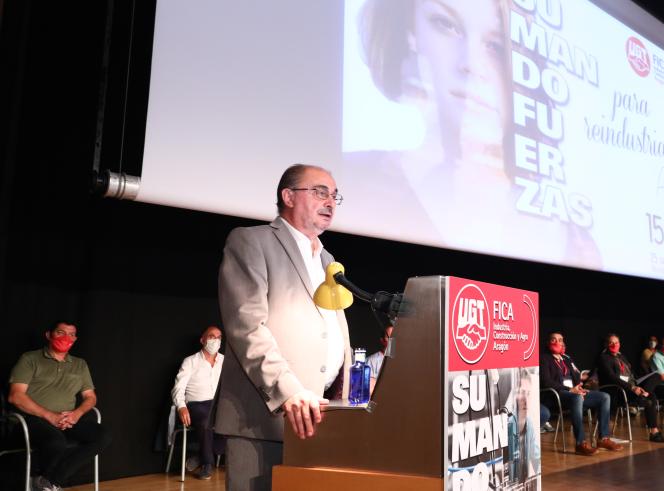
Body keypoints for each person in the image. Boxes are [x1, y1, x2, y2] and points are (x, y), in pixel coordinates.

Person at [348, 0, 601, 266]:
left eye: (495, 46)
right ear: (409, 34)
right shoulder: (351, 177)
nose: (471, 64)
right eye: (446, 25)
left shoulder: (574, 242)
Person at [215, 164, 353, 490]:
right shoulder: (251, 241)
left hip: (322, 416)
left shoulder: (327, 258)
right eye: (320, 192)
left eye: (335, 196)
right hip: (266, 418)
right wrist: (290, 392)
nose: (330, 202)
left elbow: (330, 329)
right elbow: (247, 327)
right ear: (288, 196)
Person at [7, 322, 111, 491]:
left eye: (71, 334)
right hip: (33, 419)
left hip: (67, 418)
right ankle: (45, 482)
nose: (66, 338)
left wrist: (76, 414)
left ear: (75, 339)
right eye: (61, 332)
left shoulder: (80, 364)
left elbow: (90, 397)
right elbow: (15, 396)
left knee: (102, 436)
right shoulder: (30, 359)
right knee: (56, 441)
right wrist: (50, 416)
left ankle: (49, 481)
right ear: (49, 335)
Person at [539, 332, 623, 455]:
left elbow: (577, 376)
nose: (557, 342)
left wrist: (579, 387)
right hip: (556, 395)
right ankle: (580, 443)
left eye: (560, 340)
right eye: (554, 340)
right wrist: (569, 390)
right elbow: (546, 382)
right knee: (577, 398)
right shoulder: (544, 358)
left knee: (604, 397)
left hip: (573, 393)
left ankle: (603, 438)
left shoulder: (566, 359)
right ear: (548, 343)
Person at [170, 325, 225, 480]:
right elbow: (177, 388)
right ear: (203, 340)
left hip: (219, 404)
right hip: (197, 405)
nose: (216, 340)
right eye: (211, 336)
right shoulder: (190, 361)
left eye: (219, 337)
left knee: (237, 425)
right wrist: (181, 407)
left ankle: (200, 457)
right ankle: (207, 463)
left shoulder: (225, 362)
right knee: (206, 419)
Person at [596, 334, 664, 442]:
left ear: (620, 344)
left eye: (616, 342)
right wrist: (632, 387)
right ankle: (654, 432)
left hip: (632, 386)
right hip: (619, 391)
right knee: (651, 397)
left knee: (657, 376)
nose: (614, 345)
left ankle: (643, 397)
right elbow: (612, 377)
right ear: (607, 344)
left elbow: (631, 374)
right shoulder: (604, 358)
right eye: (611, 342)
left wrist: (636, 384)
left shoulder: (621, 357)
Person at [367, 326, 393, 394]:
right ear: (382, 340)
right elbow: (368, 388)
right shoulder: (372, 361)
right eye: (389, 337)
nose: (392, 340)